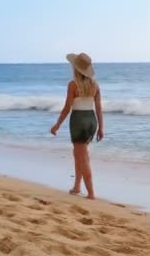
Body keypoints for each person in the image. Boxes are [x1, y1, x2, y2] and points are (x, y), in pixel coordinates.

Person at [50, 53, 104, 200]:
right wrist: (101, 128)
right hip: (91, 120)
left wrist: (57, 125)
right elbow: (98, 108)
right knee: (79, 154)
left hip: (79, 121)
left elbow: (67, 107)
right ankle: (77, 186)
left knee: (83, 158)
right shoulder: (95, 85)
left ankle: (91, 193)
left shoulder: (73, 84)